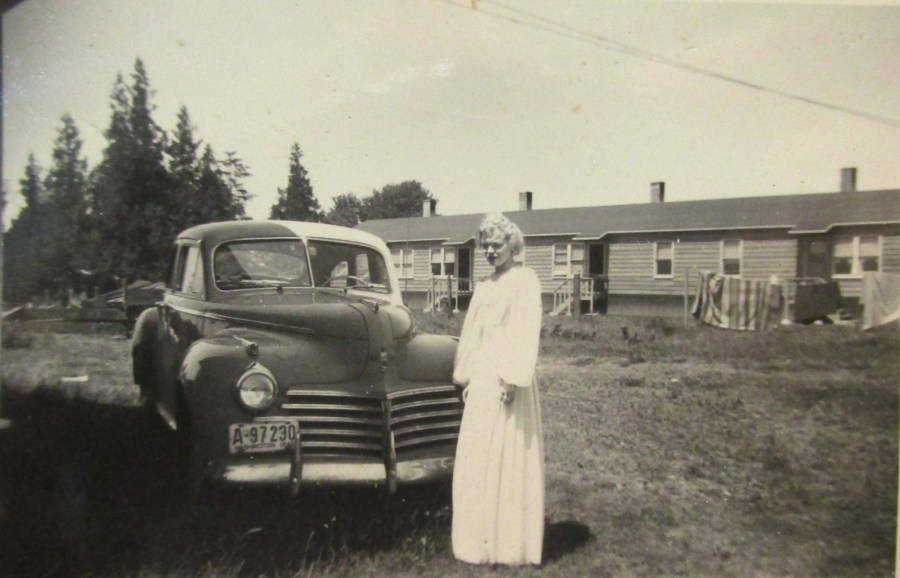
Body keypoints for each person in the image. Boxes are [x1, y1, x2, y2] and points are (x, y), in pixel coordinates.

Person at [451, 212, 545, 566]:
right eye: (486, 246)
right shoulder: (485, 286)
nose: (491, 251)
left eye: (497, 245)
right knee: (480, 455)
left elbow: (524, 330)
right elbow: (474, 334)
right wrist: (468, 376)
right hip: (484, 378)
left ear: (512, 245)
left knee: (507, 452)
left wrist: (512, 377)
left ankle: (508, 544)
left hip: (508, 378)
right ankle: (477, 541)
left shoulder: (524, 281)